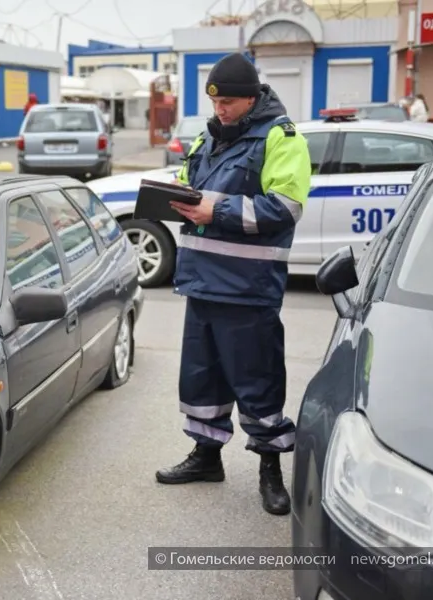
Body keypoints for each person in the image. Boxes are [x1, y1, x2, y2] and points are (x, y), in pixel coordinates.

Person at [155, 52, 311, 516]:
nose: (220, 110)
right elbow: (188, 182)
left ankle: (269, 469)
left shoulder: (282, 139)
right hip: (202, 283)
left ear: (251, 98)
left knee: (258, 382)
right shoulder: (208, 136)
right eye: (216, 101)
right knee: (201, 379)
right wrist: (176, 196)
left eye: (228, 103)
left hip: (248, 288)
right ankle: (206, 457)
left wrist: (213, 210)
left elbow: (284, 209)